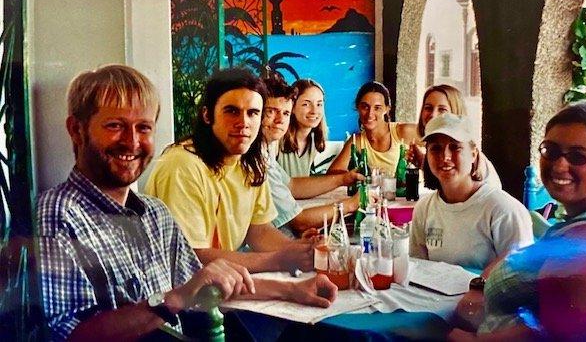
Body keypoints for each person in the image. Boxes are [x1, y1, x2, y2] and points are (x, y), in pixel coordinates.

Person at [37, 65, 337, 341]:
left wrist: (294, 290)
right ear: (77, 130)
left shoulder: (155, 215)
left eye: (143, 128)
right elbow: (68, 335)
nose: (132, 142)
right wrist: (175, 299)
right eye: (115, 125)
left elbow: (206, 284)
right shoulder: (60, 213)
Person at [449, 101, 586, 341]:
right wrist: (480, 285)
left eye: (578, 156)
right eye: (551, 151)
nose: (560, 166)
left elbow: (554, 337)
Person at [146, 68, 316, 273]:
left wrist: (301, 250)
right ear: (207, 115)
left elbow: (259, 231)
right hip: (183, 291)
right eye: (232, 111)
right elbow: (191, 257)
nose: (243, 123)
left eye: (253, 113)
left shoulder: (251, 163)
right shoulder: (182, 166)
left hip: (226, 281)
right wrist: (279, 260)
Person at [409, 113, 532, 270]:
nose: (445, 157)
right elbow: (418, 266)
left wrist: (479, 286)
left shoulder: (502, 209)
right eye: (436, 148)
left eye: (455, 147)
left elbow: (521, 271)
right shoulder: (424, 208)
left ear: (473, 154)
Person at [261, 73, 362, 236]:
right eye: (271, 111)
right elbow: (299, 222)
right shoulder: (264, 152)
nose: (280, 120)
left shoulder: (264, 152)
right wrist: (352, 204)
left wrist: (344, 179)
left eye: (285, 113)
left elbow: (291, 185)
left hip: (286, 237)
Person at [410, 83, 501, 189]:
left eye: (442, 110)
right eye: (428, 108)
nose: (433, 114)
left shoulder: (469, 158)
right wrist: (422, 161)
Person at [328, 81, 417, 174]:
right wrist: (353, 177)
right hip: (375, 188)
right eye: (365, 107)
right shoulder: (357, 140)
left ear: (387, 109)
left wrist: (422, 158)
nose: (370, 114)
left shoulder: (401, 131)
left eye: (377, 108)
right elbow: (332, 174)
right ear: (357, 107)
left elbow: (432, 137)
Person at [278, 78, 329, 177]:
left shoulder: (313, 140)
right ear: (292, 107)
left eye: (319, 104)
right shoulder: (278, 140)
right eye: (306, 104)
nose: (314, 111)